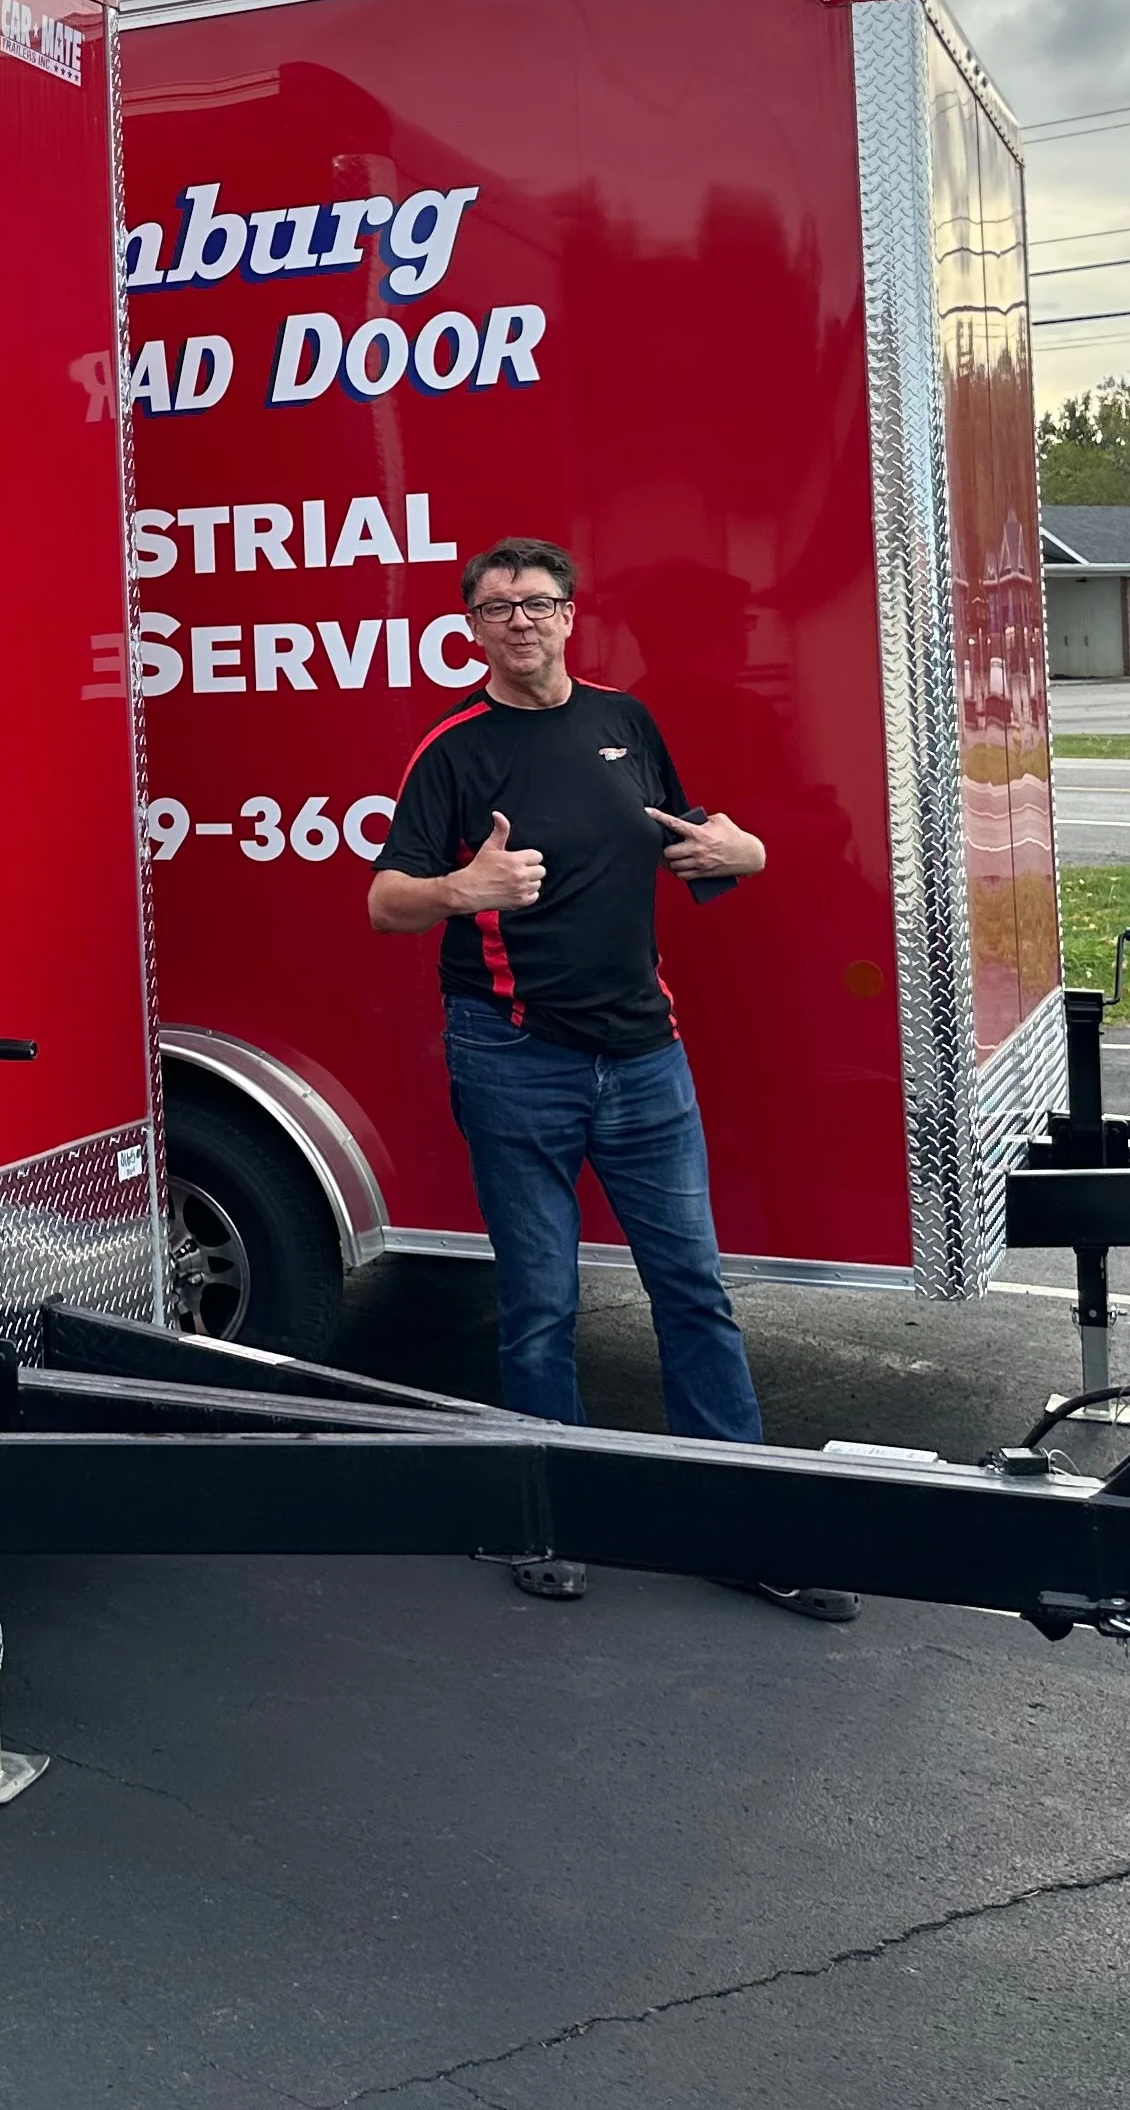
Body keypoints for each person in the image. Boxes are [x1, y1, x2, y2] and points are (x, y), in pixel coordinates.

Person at [365, 534, 852, 1621]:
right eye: (496, 609)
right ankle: (554, 1511)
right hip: (513, 1058)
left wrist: (748, 854)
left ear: (572, 614)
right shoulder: (451, 751)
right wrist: (464, 885)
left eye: (537, 603)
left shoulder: (625, 725)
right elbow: (385, 898)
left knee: (694, 1292)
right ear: (473, 628)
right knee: (541, 1304)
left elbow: (696, 840)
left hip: (644, 1060)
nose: (520, 622)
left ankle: (741, 1521)